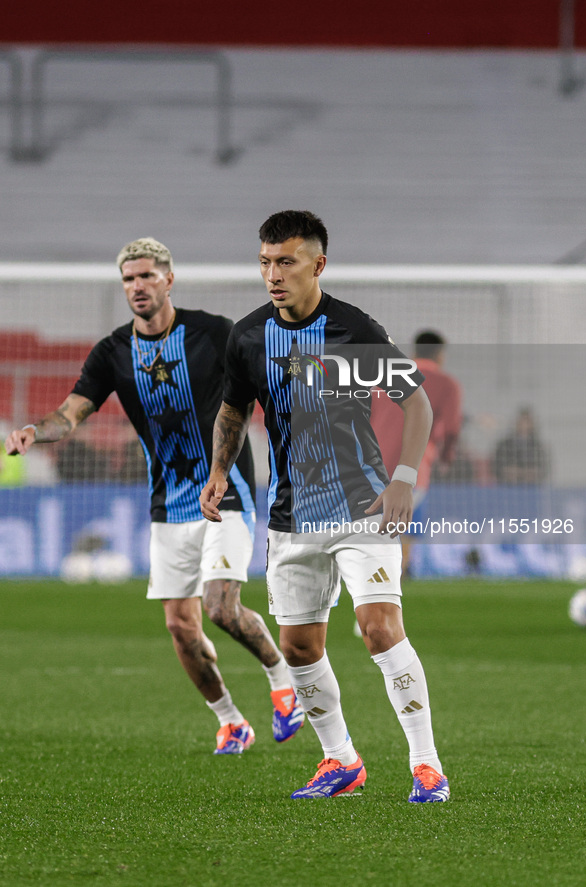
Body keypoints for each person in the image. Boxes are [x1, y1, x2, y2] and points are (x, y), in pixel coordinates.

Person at [4, 237, 304, 754]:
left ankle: (283, 684)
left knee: (219, 607)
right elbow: (72, 412)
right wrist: (37, 430)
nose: (137, 286)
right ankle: (231, 721)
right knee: (179, 627)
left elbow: (264, 380)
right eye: (128, 279)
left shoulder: (213, 333)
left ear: (168, 279)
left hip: (225, 494)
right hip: (167, 505)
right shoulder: (114, 351)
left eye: (146, 276)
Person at [200, 210, 449, 802]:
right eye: (265, 263)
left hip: (362, 508)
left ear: (318, 264)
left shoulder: (354, 330)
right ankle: (341, 761)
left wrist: (405, 479)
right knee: (298, 647)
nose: (273, 275)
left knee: (379, 630)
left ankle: (426, 765)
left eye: (285, 262)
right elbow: (233, 410)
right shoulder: (250, 336)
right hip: (290, 517)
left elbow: (417, 405)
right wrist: (217, 471)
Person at [370, 330, 463, 575]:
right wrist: (446, 458)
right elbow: (451, 430)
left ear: (413, 351)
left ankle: (380, 578)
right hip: (413, 467)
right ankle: (396, 576)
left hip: (371, 464)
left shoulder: (386, 376)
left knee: (375, 527)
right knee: (402, 526)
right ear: (440, 355)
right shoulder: (447, 384)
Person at [492, 407, 550, 485]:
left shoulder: (538, 446)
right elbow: (496, 466)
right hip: (507, 487)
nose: (524, 425)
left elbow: (543, 469)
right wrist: (509, 472)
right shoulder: (504, 445)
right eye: (522, 421)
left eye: (527, 421)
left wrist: (529, 473)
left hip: (532, 488)